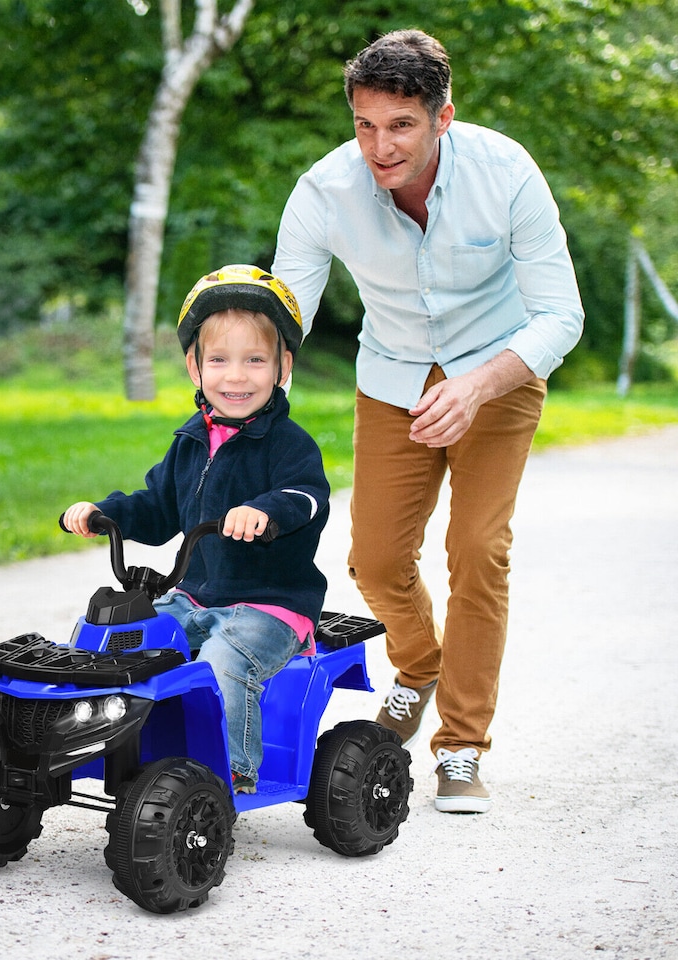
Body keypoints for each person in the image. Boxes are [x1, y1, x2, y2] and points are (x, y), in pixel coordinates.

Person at [272, 30, 584, 813]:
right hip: (393, 380)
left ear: (443, 117)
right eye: (364, 125)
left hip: (500, 373)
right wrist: (240, 372)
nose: (380, 146)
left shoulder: (506, 172)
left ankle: (462, 746)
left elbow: (561, 315)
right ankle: (417, 666)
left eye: (400, 125)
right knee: (375, 561)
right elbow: (284, 311)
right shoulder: (324, 190)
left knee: (478, 549)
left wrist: (478, 387)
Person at [61, 264, 330, 794]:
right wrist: (105, 513)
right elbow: (159, 508)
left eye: (255, 360)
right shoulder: (189, 442)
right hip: (195, 597)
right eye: (220, 360)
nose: (236, 376)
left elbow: (307, 498)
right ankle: (109, 746)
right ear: (194, 367)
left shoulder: (288, 444)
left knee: (224, 664)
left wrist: (267, 512)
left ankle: (227, 773)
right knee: (121, 642)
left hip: (270, 605)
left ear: (283, 366)